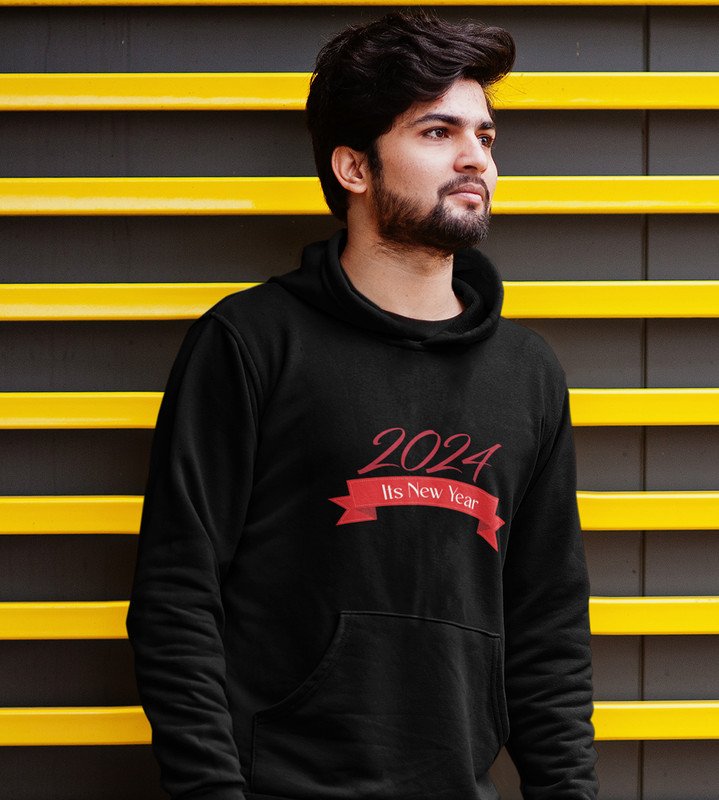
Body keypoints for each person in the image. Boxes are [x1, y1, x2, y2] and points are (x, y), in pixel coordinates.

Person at [127, 10, 597, 800]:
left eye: (484, 137)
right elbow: (176, 601)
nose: (475, 159)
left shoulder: (527, 372)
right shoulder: (251, 342)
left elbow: (547, 629)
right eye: (437, 132)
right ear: (353, 167)